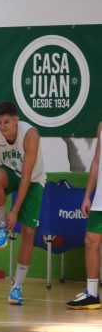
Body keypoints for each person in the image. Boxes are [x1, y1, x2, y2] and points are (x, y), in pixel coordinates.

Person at [0, 101, 45, 305]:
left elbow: (27, 176)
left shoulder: (30, 135)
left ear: (17, 120)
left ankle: (17, 287)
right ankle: (2, 227)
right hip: (10, 174)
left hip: (33, 180)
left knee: (28, 233)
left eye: (7, 122)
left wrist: (15, 211)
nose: (3, 127)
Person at [66, 121, 102, 310]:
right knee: (91, 241)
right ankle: (92, 293)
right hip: (100, 198)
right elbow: (97, 161)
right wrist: (88, 195)